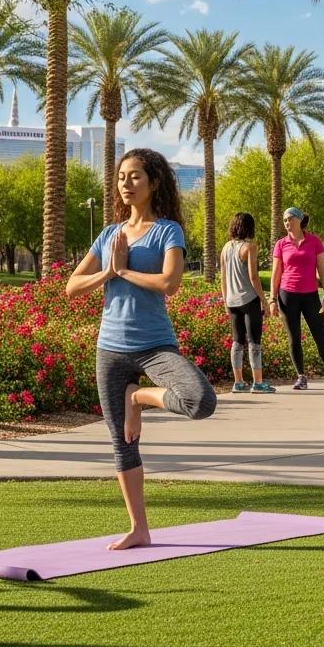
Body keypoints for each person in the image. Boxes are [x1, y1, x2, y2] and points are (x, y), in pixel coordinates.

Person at [66, 148, 216, 550]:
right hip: (110, 348)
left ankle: (139, 397)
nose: (126, 184)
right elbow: (72, 286)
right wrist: (107, 271)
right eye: (120, 177)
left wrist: (125, 270)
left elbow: (170, 283)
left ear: (154, 182)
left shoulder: (168, 231)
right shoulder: (110, 235)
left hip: (154, 345)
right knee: (123, 443)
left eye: (135, 176)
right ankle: (139, 529)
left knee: (200, 400)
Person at [270, 206, 324, 391]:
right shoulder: (281, 244)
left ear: (299, 220)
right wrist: (272, 299)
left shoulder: (314, 242)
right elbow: (276, 273)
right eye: (285, 220)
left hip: (311, 295)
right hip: (287, 296)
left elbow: (322, 269)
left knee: (320, 336)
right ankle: (301, 377)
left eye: (290, 219)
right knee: (294, 338)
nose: (287, 223)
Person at [219, 212, 273, 393]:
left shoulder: (226, 247)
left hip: (232, 301)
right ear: (250, 227)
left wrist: (226, 299)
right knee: (254, 341)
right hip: (249, 300)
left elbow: (223, 277)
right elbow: (253, 276)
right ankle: (258, 383)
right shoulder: (250, 247)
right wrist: (264, 300)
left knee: (237, 341)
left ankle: (239, 382)